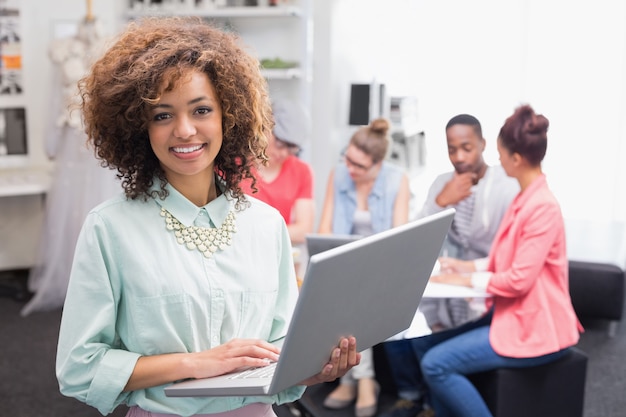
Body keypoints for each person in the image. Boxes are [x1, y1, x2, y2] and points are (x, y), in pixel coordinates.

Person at [55, 16, 360, 417]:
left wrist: (312, 369)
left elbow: (279, 348)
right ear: (138, 127)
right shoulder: (110, 228)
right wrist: (195, 364)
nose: (184, 130)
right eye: (162, 115)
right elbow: (78, 368)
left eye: (201, 110)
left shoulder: (266, 225)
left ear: (227, 117)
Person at [401, 104, 583, 417]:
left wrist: (465, 279)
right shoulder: (527, 198)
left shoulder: (542, 207)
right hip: (510, 314)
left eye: (500, 154)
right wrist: (464, 267)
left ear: (515, 159)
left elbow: (517, 280)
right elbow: (504, 259)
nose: (497, 160)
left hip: (534, 327)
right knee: (425, 346)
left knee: (436, 365)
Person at [380, 114, 519, 417]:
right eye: (452, 149)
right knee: (402, 322)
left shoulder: (507, 186)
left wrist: (471, 273)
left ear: (483, 144)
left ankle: (430, 401)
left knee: (437, 350)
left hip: (486, 284)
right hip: (446, 284)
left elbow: (509, 256)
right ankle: (418, 398)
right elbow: (417, 238)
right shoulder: (443, 183)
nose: (459, 157)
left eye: (467, 148)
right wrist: (442, 200)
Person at [21, 14, 120, 316]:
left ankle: (111, 283)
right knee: (71, 210)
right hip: (72, 145)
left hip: (104, 143)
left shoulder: (116, 49)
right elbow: (54, 100)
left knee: (106, 206)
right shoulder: (63, 49)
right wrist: (49, 144)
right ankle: (71, 279)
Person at [317, 118, 411, 417]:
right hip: (344, 264)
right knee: (343, 292)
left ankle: (357, 379)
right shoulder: (339, 174)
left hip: (381, 266)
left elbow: (399, 239)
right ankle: (363, 379)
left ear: (377, 164)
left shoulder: (398, 180)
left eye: (359, 166)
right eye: (348, 160)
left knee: (356, 298)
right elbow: (324, 228)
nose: (351, 169)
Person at [240, 98, 314, 278]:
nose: (282, 154)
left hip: (278, 261)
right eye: (279, 144)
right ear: (265, 126)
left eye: (291, 150)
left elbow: (304, 229)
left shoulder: (301, 171)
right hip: (240, 259)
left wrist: (254, 233)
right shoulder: (234, 165)